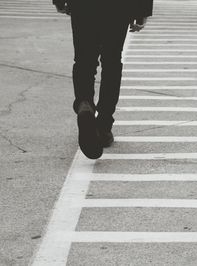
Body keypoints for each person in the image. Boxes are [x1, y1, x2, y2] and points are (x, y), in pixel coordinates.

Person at [52, 0, 153, 159]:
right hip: (118, 7)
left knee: (84, 59)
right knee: (112, 62)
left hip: (83, 5)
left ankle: (85, 102)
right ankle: (104, 124)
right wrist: (142, 10)